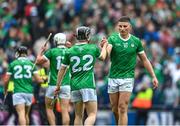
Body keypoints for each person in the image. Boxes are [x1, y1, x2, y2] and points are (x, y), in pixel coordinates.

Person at [101, 16, 159, 125]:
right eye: (120, 26)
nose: (122, 28)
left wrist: (153, 76)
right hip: (113, 77)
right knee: (114, 109)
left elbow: (145, 60)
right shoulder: (112, 39)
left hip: (128, 77)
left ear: (130, 27)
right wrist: (104, 48)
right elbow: (107, 53)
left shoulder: (136, 41)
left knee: (122, 107)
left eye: (125, 26)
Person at [55, 26, 107, 125]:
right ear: (87, 36)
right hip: (88, 85)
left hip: (74, 86)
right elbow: (103, 57)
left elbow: (62, 69)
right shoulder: (93, 48)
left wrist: (58, 85)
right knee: (92, 114)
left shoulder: (69, 51)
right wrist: (104, 46)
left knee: (78, 116)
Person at [4, 46, 46, 125]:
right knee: (26, 115)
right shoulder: (31, 64)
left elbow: (6, 80)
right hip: (29, 93)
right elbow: (38, 80)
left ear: (17, 53)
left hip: (18, 92)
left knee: (21, 114)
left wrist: (5, 90)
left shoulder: (13, 64)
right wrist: (45, 79)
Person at [36, 33, 71, 125]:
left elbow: (38, 61)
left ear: (56, 41)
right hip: (66, 84)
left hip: (53, 84)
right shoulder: (70, 51)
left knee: (49, 108)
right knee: (65, 111)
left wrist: (41, 51)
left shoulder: (51, 51)